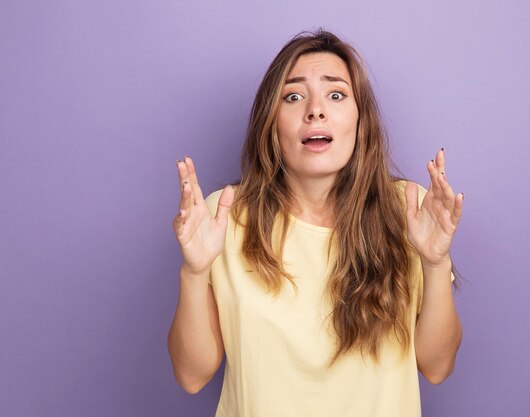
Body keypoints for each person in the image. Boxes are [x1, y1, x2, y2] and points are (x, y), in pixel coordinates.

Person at [167, 30, 464, 417]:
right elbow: (192, 376)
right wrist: (194, 272)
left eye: (336, 95)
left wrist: (436, 263)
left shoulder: (408, 209)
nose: (315, 110)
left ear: (361, 121)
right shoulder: (224, 215)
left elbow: (437, 367)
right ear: (270, 122)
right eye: (293, 96)